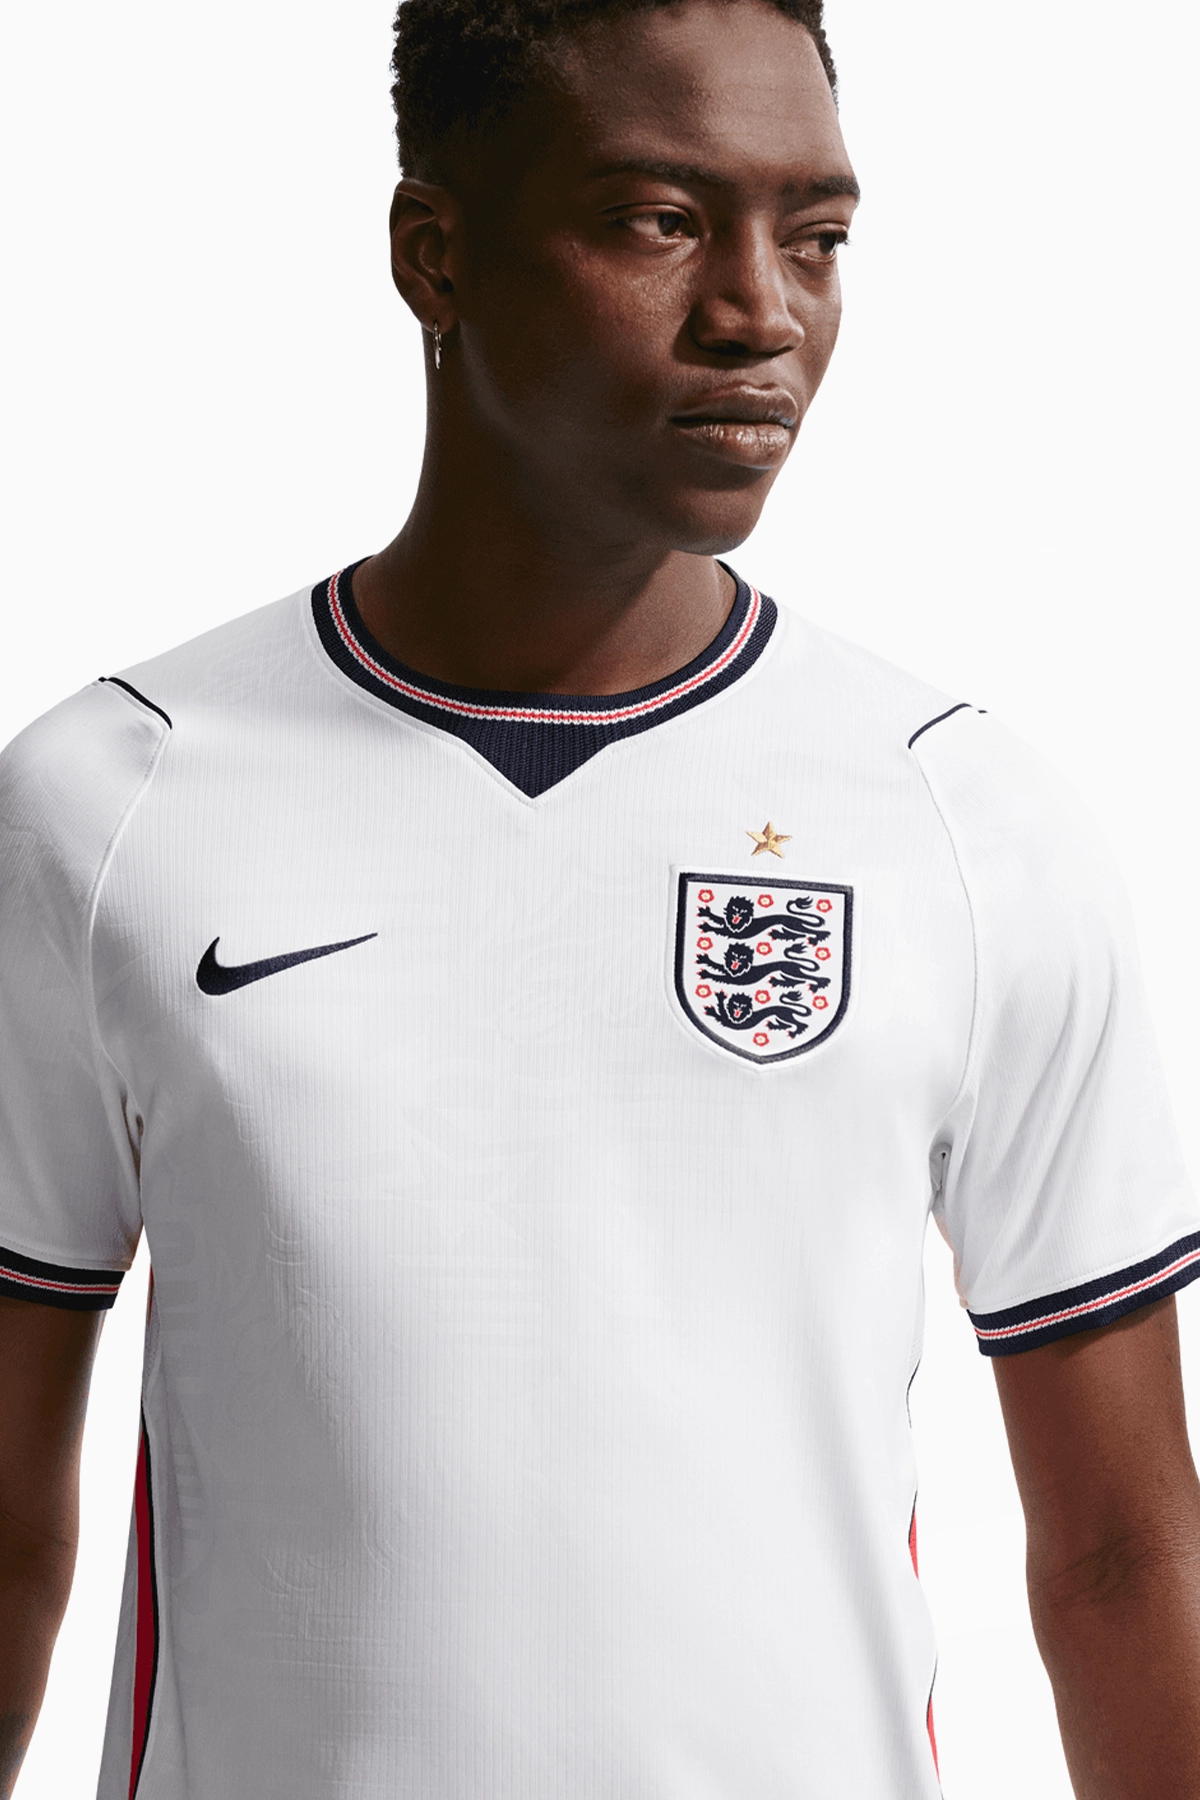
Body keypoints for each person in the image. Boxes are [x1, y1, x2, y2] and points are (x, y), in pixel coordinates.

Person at [2, 0, 1198, 1794]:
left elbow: (1122, 1555)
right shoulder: (116, 801)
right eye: (661, 220)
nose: (759, 312)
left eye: (817, 237)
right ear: (435, 254)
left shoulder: (961, 817)